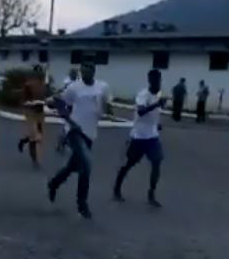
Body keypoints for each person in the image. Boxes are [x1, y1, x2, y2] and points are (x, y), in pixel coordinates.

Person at [47, 60, 112, 219]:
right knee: (86, 165)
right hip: (75, 131)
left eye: (89, 69)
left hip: (90, 133)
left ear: (94, 71)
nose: (86, 72)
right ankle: (82, 204)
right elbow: (60, 103)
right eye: (83, 69)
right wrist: (70, 122)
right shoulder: (74, 87)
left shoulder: (102, 87)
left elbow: (107, 105)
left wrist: (108, 107)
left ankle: (54, 183)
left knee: (72, 166)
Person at [113, 69, 166, 207]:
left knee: (157, 161)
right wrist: (157, 105)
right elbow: (141, 111)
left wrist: (157, 124)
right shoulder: (143, 95)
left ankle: (151, 194)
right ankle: (116, 189)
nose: (158, 83)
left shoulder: (159, 95)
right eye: (155, 81)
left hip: (152, 137)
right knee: (128, 164)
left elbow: (154, 114)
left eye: (159, 80)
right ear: (150, 81)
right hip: (138, 136)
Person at [17, 65, 47, 167]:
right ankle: (34, 159)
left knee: (39, 136)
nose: (40, 74)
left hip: (40, 113)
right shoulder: (28, 85)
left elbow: (45, 98)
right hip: (30, 113)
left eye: (41, 72)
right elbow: (23, 99)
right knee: (35, 137)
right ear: (34, 73)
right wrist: (29, 103)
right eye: (38, 72)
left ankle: (24, 140)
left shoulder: (43, 84)